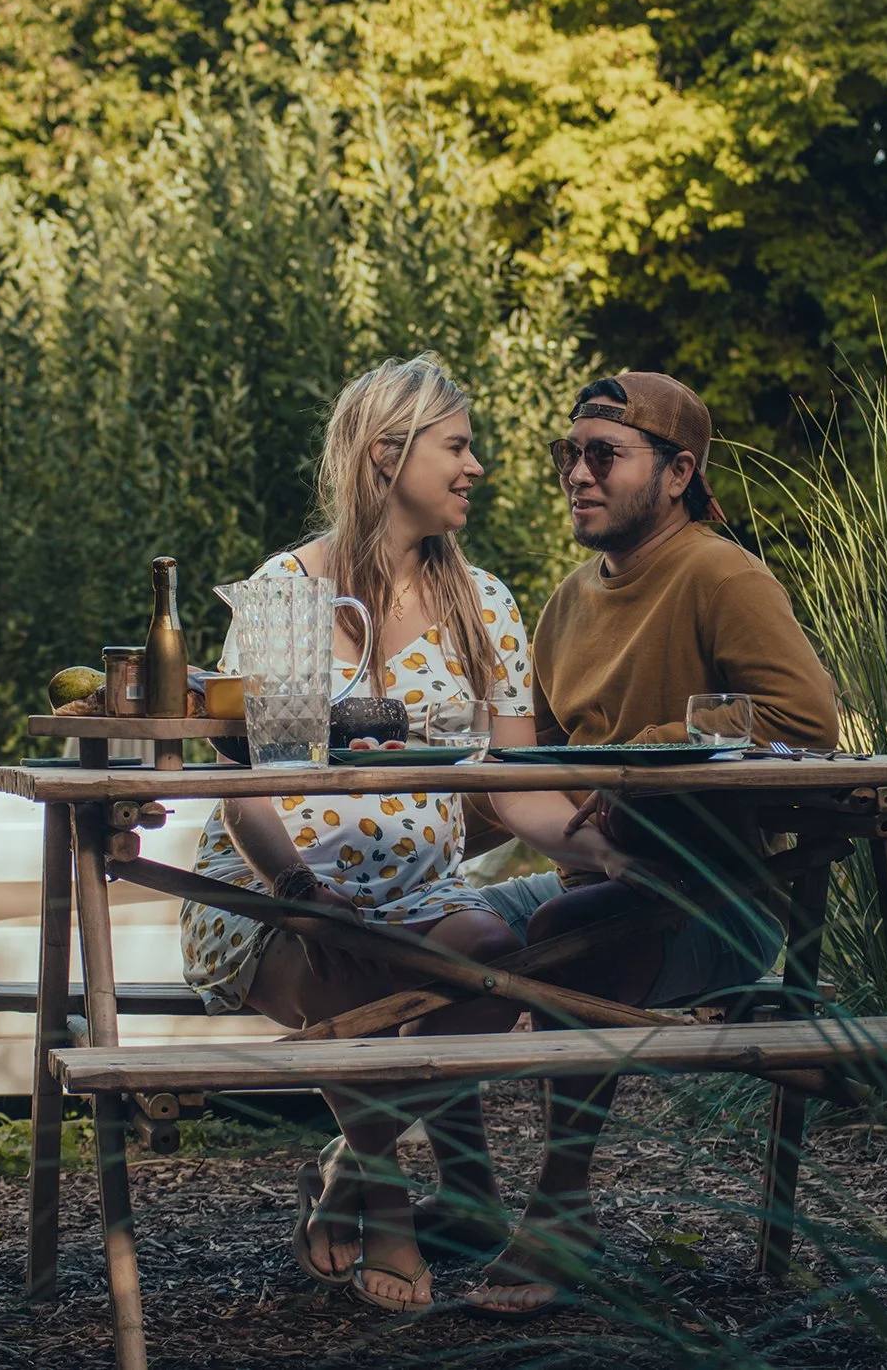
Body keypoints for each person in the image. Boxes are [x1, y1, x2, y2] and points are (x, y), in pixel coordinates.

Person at [179, 354, 630, 1312]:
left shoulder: (486, 606)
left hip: (425, 902)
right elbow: (248, 789)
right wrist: (302, 898)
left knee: (492, 947)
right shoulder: (286, 596)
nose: (477, 468)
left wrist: (597, 853)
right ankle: (385, 1200)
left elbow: (513, 792)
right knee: (355, 973)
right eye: (457, 447)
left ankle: (353, 1168)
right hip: (275, 897)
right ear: (388, 456)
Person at [464, 371, 841, 1317]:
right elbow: (533, 767)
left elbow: (807, 718)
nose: (577, 475)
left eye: (603, 455)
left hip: (720, 904)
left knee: (563, 925)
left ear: (676, 474)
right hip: (596, 881)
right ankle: (433, 1192)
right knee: (435, 926)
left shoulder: (721, 574)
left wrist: (641, 761)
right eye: (568, 454)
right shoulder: (566, 603)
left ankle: (559, 1214)